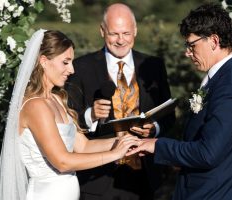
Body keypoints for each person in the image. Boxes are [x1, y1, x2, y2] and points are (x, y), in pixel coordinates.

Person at [127, 3, 232, 200]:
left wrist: (157, 145)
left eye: (192, 45)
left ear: (214, 41)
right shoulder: (224, 76)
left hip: (219, 193)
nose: (187, 53)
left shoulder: (231, 85)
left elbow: (208, 153)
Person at [0, 29, 140, 200]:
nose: (72, 69)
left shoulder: (56, 99)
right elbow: (62, 162)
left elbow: (84, 147)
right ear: (43, 61)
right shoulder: (36, 106)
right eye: (65, 62)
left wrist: (125, 141)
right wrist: (115, 154)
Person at [66, 3, 175, 200]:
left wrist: (154, 128)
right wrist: (90, 115)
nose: (120, 40)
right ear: (102, 31)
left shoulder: (153, 66)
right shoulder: (81, 68)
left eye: (126, 33)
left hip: (145, 177)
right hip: (98, 178)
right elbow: (67, 122)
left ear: (135, 31)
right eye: (114, 34)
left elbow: (169, 115)